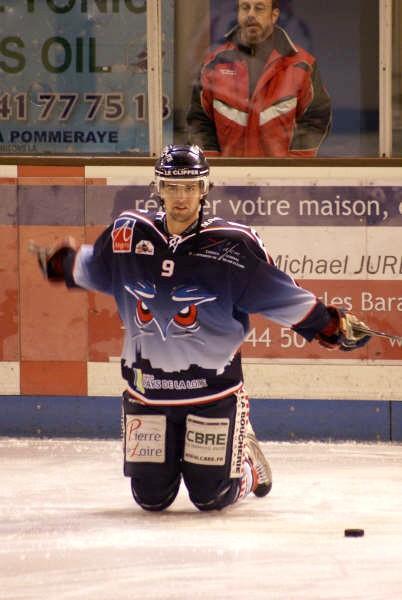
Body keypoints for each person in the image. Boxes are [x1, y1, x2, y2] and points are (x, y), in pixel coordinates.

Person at [31, 145, 370, 512]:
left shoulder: (233, 246)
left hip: (213, 394)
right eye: (173, 187)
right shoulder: (127, 233)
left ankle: (249, 463)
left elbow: (280, 295)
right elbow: (98, 268)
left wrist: (329, 325)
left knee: (212, 497)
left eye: (191, 187)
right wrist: (64, 266)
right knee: (151, 499)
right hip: (148, 392)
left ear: (204, 189)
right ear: (158, 188)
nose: (182, 197)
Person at [187, 0, 331, 157]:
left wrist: (294, 165)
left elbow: (316, 118)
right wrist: (214, 165)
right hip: (229, 172)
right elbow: (199, 121)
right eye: (245, 8)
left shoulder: (301, 65)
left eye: (259, 8)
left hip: (280, 172)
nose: (251, 14)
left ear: (274, 15)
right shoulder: (213, 64)